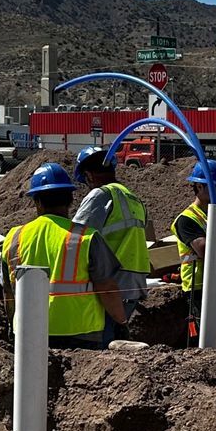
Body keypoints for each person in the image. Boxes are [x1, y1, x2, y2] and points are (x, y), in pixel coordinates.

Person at [0, 161, 124, 349]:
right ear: (70, 199)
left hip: (29, 330)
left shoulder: (14, 237)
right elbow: (106, 287)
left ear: (37, 201)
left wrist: (12, 323)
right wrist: (121, 322)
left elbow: (8, 291)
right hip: (81, 332)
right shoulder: (86, 238)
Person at [71, 144, 151, 338]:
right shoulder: (133, 198)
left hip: (112, 283)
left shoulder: (101, 195)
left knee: (102, 341)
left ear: (88, 175)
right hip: (134, 283)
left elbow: (74, 239)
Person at [173, 159, 216, 346]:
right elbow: (205, 250)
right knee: (203, 338)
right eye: (215, 188)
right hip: (199, 286)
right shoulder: (186, 219)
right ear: (199, 187)